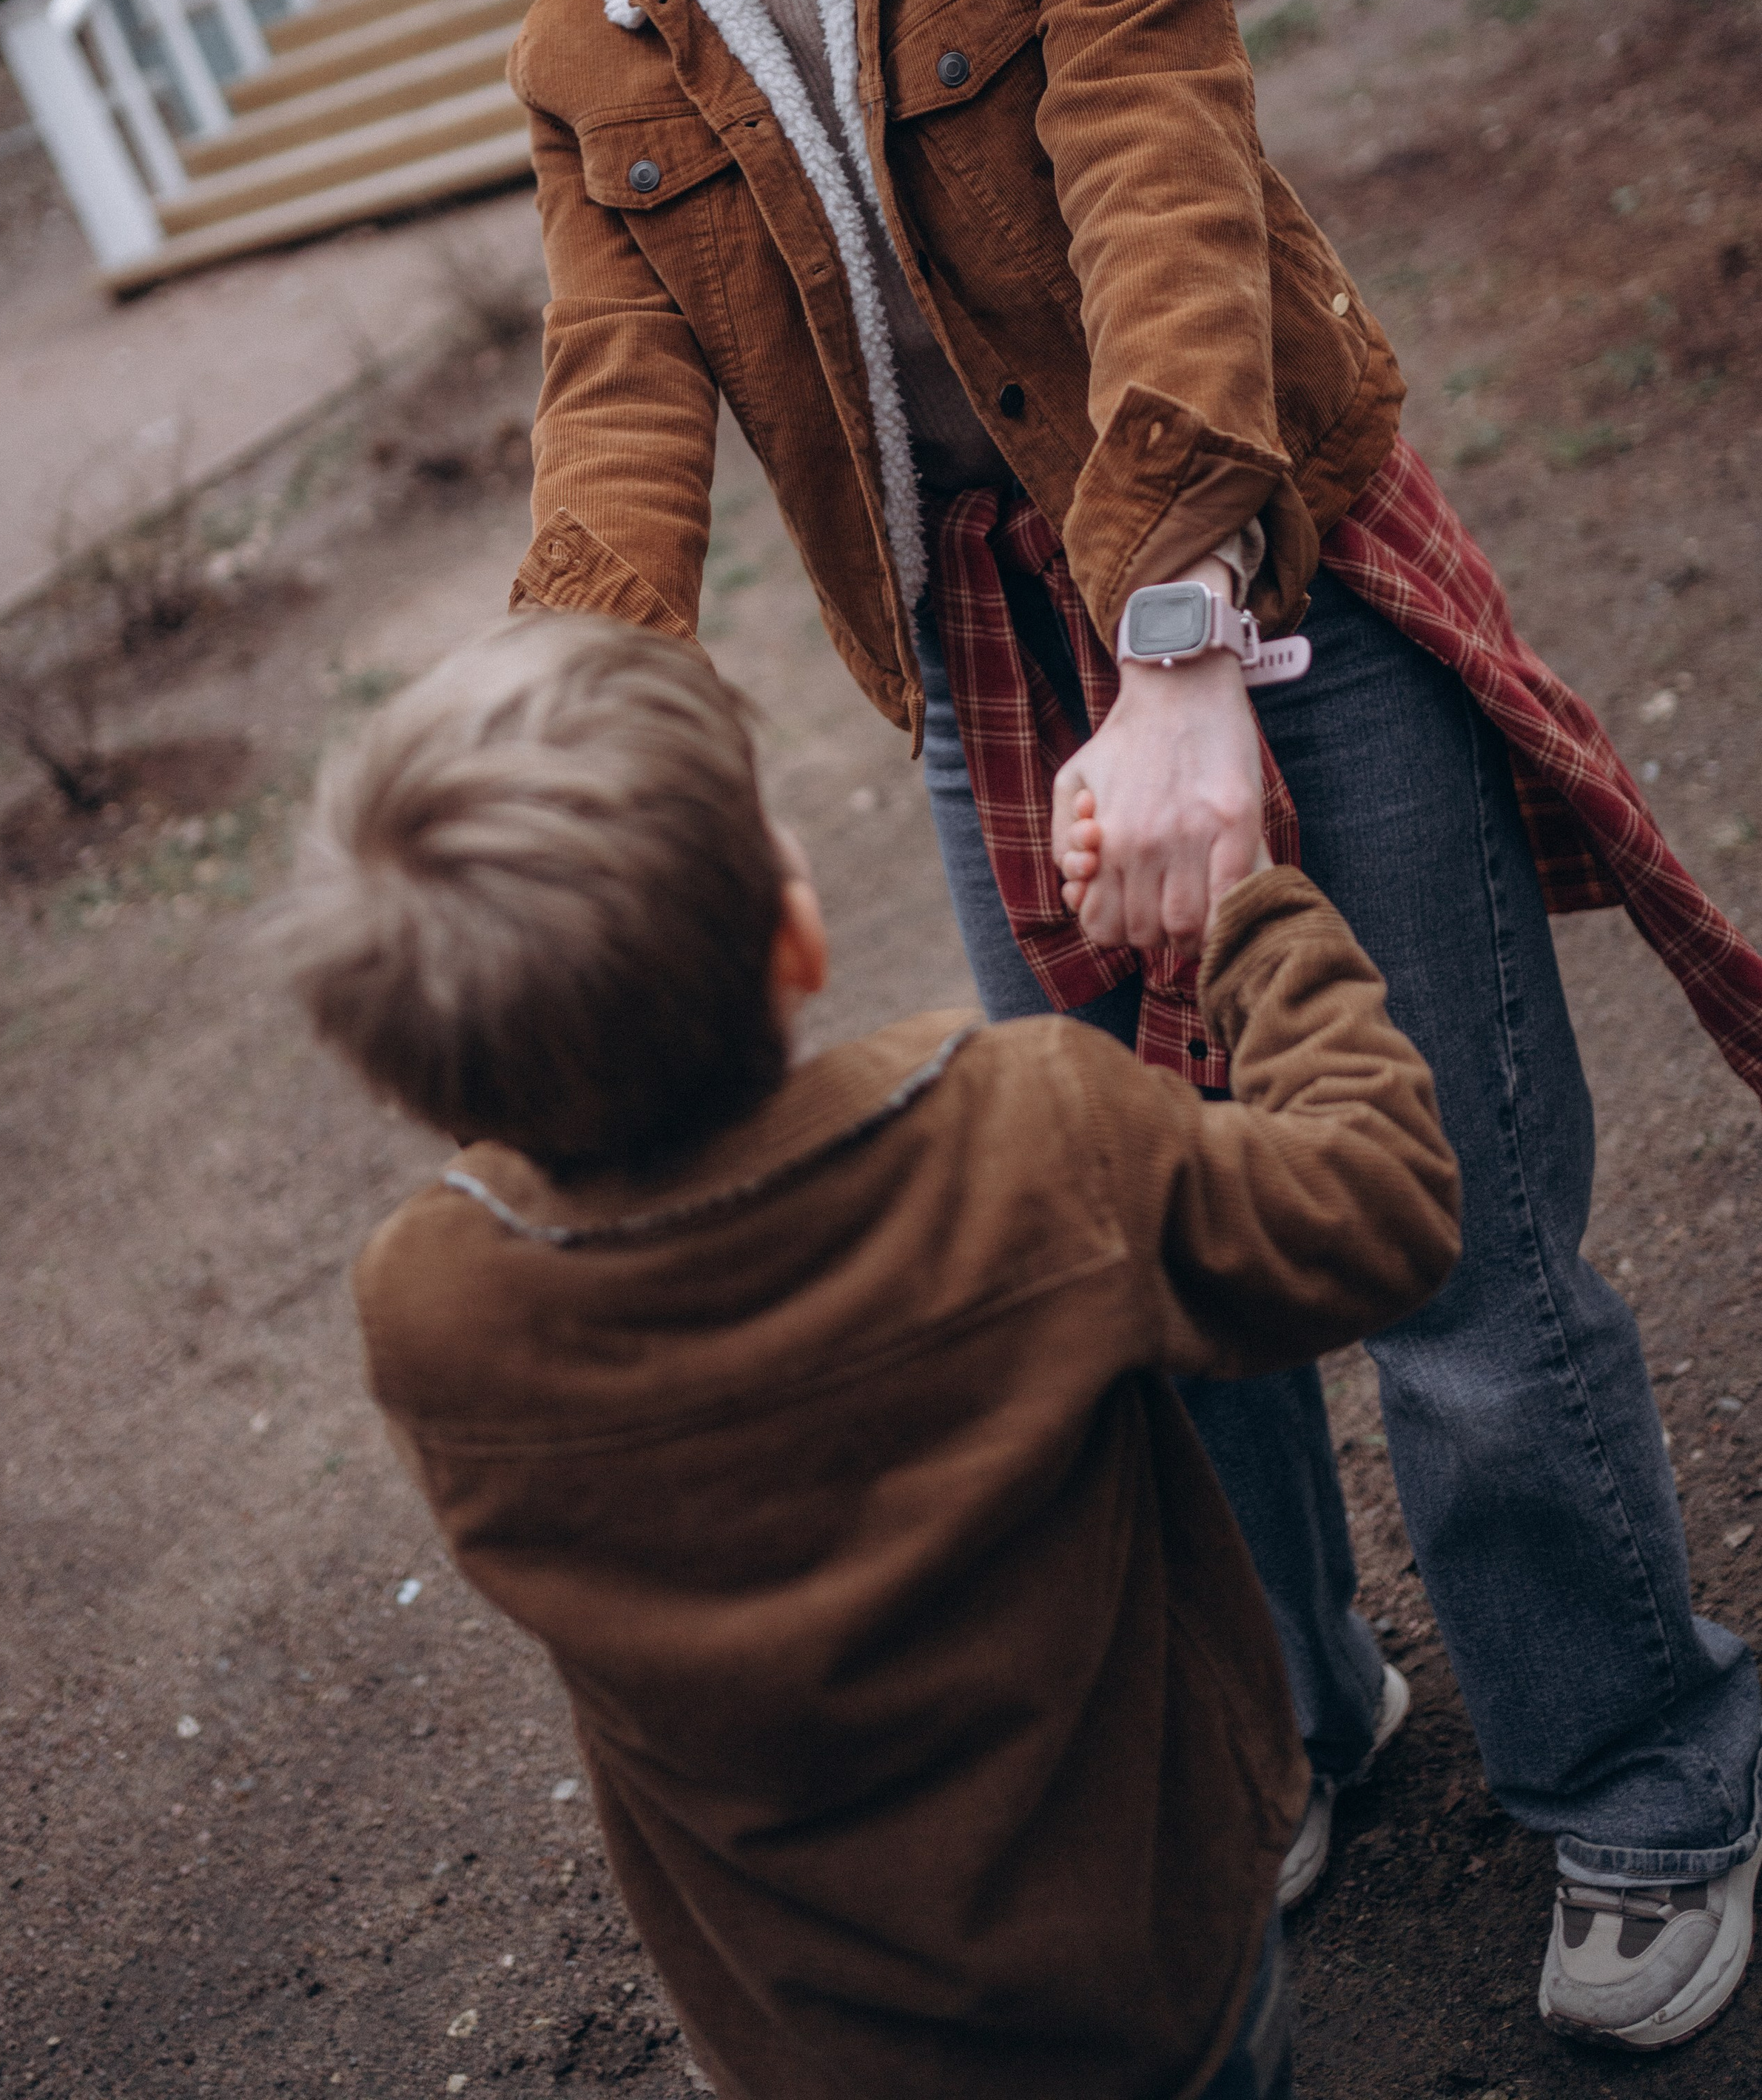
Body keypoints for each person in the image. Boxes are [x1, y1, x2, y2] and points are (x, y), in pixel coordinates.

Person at [463, 0, 1762, 2047]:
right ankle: (1285, 1727)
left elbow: (1163, 196)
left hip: (1257, 567)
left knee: (1440, 1231)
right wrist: (557, 786)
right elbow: (614, 415)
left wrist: (1185, 646)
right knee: (1108, 1241)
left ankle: (1643, 1770)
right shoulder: (589, 40)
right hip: (971, 659)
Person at [284, 611, 1462, 2100]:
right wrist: (1251, 919)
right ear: (797, 935)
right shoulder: (1019, 1131)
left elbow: (509, 1177)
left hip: (802, 2038)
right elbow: (1382, 1210)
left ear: (407, 1073)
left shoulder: (433, 1310)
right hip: (1147, 1970)